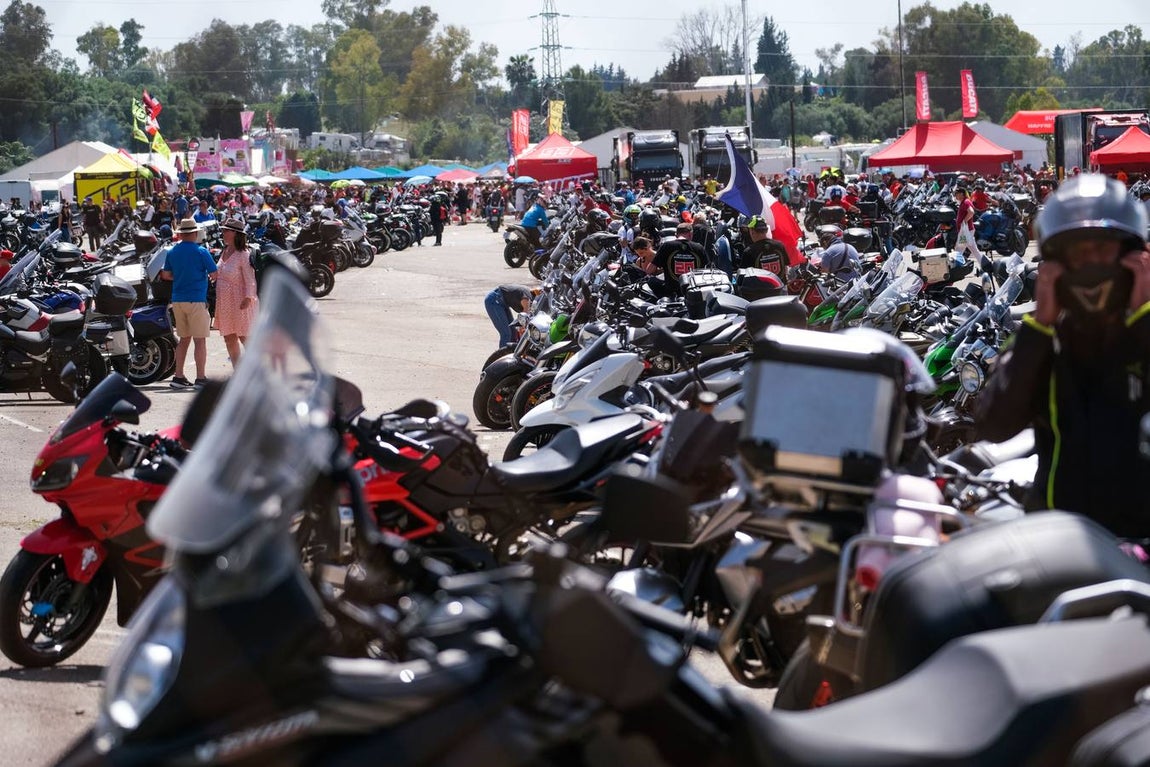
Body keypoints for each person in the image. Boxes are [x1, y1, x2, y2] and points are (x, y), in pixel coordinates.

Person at [975, 174, 1150, 538]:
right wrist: (1040, 326)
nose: (1090, 264)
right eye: (1078, 253)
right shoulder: (1042, 339)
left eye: (1101, 250)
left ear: (1132, 256)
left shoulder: (1144, 329)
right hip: (1060, 541)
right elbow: (994, 424)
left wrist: (1143, 318)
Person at [161, 218, 218, 389]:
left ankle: (178, 377)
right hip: (196, 299)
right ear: (194, 233)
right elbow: (214, 273)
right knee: (200, 341)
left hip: (178, 300)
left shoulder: (172, 252)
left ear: (180, 234)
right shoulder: (201, 251)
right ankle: (200, 378)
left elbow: (165, 275)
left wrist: (180, 277)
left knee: (183, 339)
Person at [214, 219, 259, 368]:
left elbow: (250, 279)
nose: (223, 233)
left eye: (226, 230)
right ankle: (238, 372)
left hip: (240, 301)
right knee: (229, 337)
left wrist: (248, 298)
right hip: (225, 302)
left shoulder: (243, 254)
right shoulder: (225, 251)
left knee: (245, 337)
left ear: (235, 233)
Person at [950, 187, 981, 267]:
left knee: (959, 249)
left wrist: (964, 221)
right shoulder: (963, 202)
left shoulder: (966, 202)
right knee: (974, 250)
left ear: (961, 194)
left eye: (956, 194)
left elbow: (971, 212)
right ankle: (985, 265)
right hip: (966, 231)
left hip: (965, 231)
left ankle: (954, 267)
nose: (955, 196)